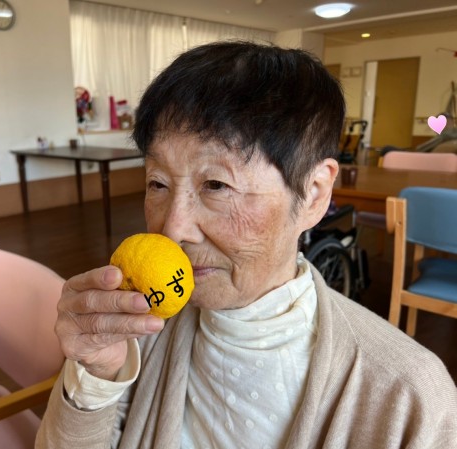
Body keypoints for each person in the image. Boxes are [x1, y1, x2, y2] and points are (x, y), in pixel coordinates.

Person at [36, 41, 457, 449]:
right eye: (157, 183)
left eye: (216, 184)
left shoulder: (410, 399)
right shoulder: (138, 330)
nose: (173, 230)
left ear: (313, 194)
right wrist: (97, 378)